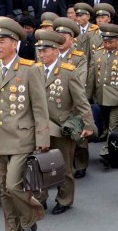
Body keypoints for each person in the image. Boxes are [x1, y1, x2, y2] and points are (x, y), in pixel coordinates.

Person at [0, 17, 50, 231]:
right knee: (4, 190)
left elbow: (40, 108)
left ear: (15, 44)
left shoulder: (29, 69)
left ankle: (30, 220)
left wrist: (42, 140)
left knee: (15, 185)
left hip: (22, 138)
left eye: (2, 41)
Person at [35, 29, 95, 215]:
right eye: (39, 50)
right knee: (38, 164)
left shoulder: (68, 72)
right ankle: (40, 199)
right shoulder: (34, 70)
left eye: (45, 51)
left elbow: (81, 100)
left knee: (63, 166)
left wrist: (88, 124)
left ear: (55, 50)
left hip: (62, 126)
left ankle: (65, 198)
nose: (41, 54)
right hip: (39, 127)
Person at [87, 23, 118, 164]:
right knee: (105, 126)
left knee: (113, 125)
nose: (108, 45)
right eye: (105, 42)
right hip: (101, 97)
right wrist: (88, 96)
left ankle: (107, 151)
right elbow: (92, 76)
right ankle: (112, 148)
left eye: (111, 42)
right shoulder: (98, 53)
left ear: (117, 40)